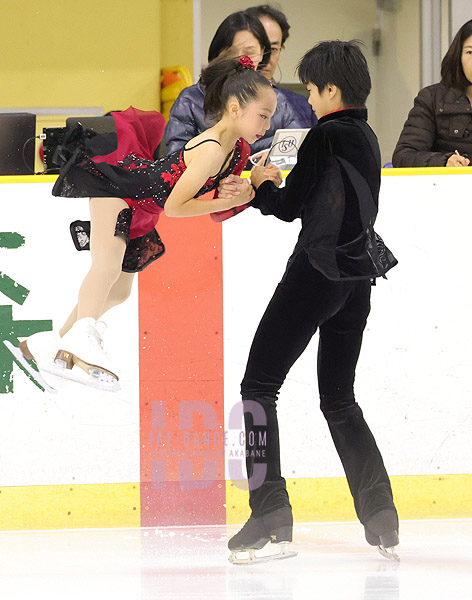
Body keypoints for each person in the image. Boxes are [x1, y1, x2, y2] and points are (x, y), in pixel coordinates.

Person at [222, 41, 400, 564]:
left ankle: (268, 511)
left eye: (312, 90)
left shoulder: (324, 135)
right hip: (357, 278)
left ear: (330, 90)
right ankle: (381, 514)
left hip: (317, 273)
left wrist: (259, 185)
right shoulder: (365, 135)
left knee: (256, 388)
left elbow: (289, 205)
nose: (310, 99)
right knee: (339, 399)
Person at [13, 56, 277, 392]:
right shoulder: (211, 148)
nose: (267, 126)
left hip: (143, 208)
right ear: (235, 108)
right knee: (107, 267)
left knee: (120, 292)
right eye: (263, 116)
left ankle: (49, 344)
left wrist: (246, 186)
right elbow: (177, 208)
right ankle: (82, 337)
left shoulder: (238, 150)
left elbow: (215, 204)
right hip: (120, 189)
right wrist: (235, 198)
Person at [165, 10, 300, 158]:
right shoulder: (190, 100)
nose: (240, 60)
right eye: (232, 52)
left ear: (262, 54)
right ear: (218, 54)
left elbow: (294, 152)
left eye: (250, 52)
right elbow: (175, 162)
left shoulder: (277, 101)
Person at [392, 19, 472, 167]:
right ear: (458, 56)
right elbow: (404, 156)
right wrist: (444, 162)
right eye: (470, 52)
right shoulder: (432, 98)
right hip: (447, 187)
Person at [245, 4, 317, 128]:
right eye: (257, 48)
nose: (264, 59)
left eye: (272, 49)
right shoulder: (220, 104)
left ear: (281, 49)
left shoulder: (305, 107)